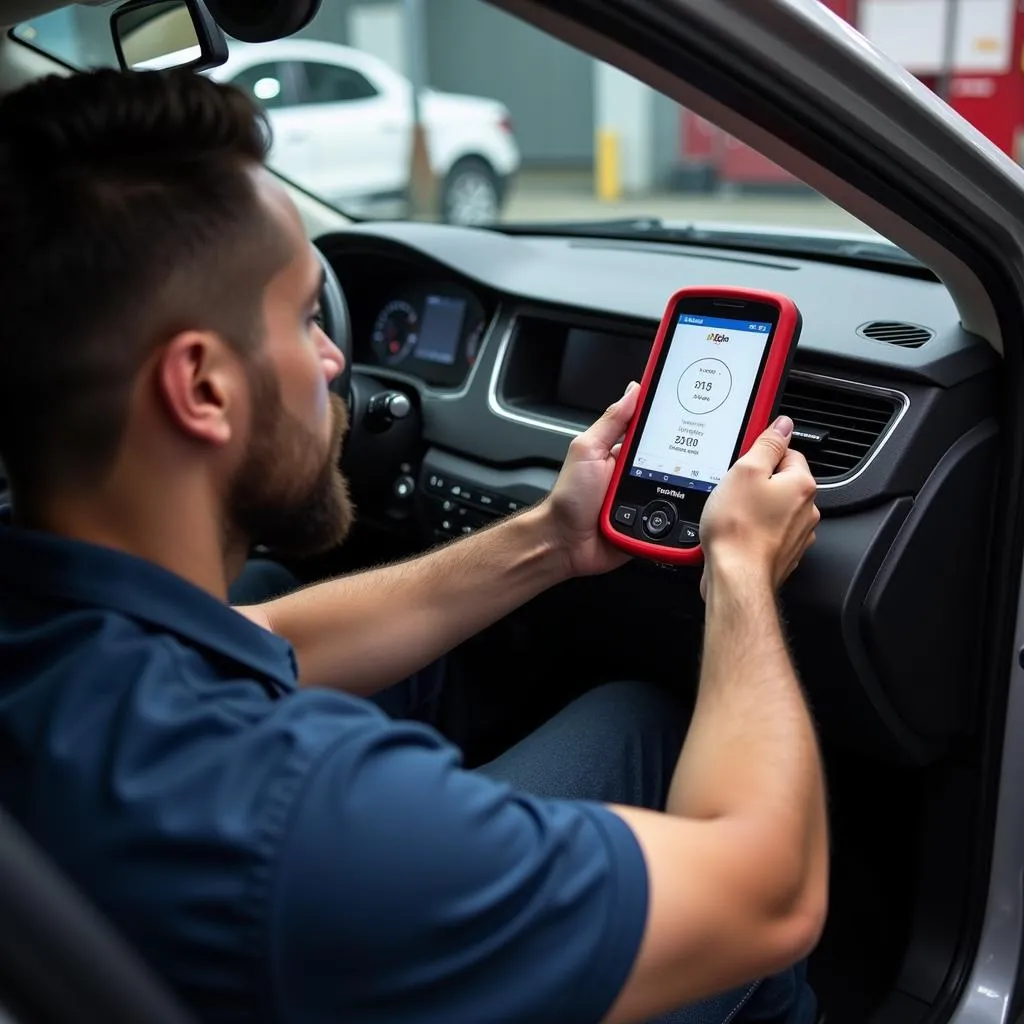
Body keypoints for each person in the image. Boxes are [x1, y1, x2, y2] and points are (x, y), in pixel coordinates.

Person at [0, 67, 827, 1024]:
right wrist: (740, 575)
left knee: (633, 721)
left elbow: (258, 634)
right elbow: (771, 897)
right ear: (204, 390)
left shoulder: (53, 624)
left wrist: (550, 540)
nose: (335, 360)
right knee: (696, 808)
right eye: (308, 316)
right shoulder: (297, 815)